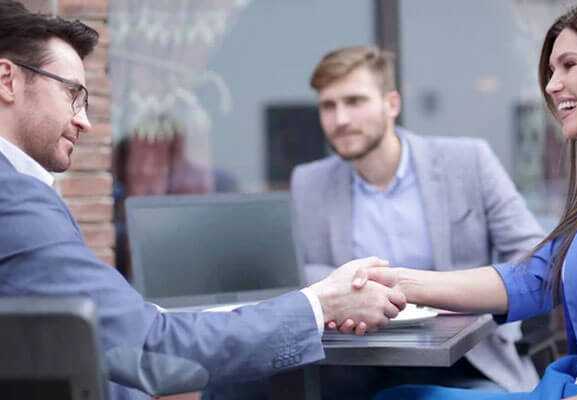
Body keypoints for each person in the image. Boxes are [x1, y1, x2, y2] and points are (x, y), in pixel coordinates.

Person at [0, 2, 405, 400]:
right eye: (73, 93)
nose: (84, 120)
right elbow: (153, 350)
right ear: (7, 79)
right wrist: (321, 303)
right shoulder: (14, 196)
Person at [349, 0, 577, 399]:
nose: (552, 85)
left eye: (569, 65)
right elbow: (533, 279)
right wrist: (395, 282)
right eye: (552, 71)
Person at [290, 45, 544, 395]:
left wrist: (445, 293)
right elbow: (301, 272)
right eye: (328, 106)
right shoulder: (310, 182)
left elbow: (532, 255)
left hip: (468, 359)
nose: (341, 119)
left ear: (391, 104)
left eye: (354, 101)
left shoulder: (468, 161)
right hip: (354, 363)